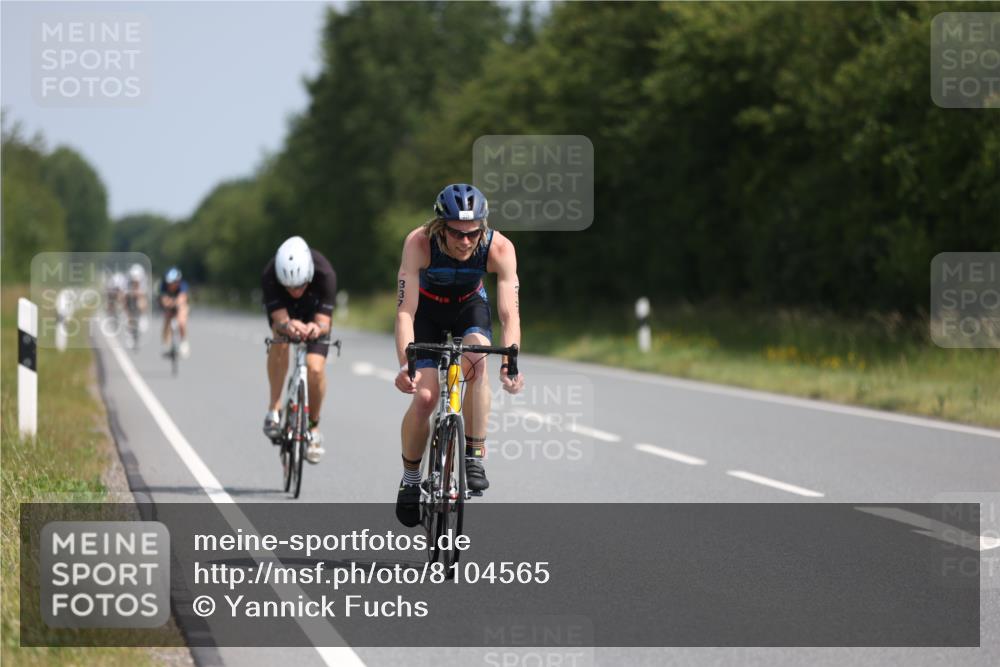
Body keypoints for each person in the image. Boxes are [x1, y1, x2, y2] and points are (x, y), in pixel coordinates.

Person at [393, 183, 524, 526]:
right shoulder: (419, 243)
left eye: (472, 234)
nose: (465, 241)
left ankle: (474, 455)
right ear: (440, 227)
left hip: (470, 307)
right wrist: (405, 364)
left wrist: (510, 363)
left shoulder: (499, 247)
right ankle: (410, 481)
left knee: (477, 361)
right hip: (427, 312)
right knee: (424, 397)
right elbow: (406, 311)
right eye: (456, 233)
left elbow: (510, 314)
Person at [261, 236, 337, 464]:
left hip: (314, 315)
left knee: (315, 368)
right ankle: (274, 408)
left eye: (300, 286)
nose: (295, 291)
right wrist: (287, 326)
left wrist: (317, 327)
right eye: (290, 287)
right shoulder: (270, 275)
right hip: (286, 316)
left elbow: (325, 321)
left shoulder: (325, 274)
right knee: (280, 340)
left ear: (310, 276)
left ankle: (313, 427)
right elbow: (279, 320)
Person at [159, 267, 190, 358]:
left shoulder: (183, 285)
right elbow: (163, 299)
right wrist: (167, 303)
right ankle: (166, 343)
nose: (171, 285)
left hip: (180, 304)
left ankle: (184, 342)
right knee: (167, 319)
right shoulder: (163, 285)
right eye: (169, 283)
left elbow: (182, 298)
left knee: (181, 321)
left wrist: (177, 303)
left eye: (174, 283)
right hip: (169, 305)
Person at [124, 263, 148, 349]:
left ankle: (143, 317)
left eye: (137, 280)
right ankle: (129, 331)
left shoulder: (143, 280)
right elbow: (125, 294)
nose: (135, 282)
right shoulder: (127, 280)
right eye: (133, 280)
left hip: (139, 297)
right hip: (130, 296)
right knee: (126, 303)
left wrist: (137, 293)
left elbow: (143, 293)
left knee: (141, 300)